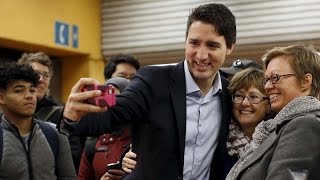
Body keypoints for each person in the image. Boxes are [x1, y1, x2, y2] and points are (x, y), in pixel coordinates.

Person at [59, 3, 236, 180]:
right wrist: (74, 116)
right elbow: (116, 110)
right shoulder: (153, 80)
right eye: (194, 43)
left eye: (212, 46)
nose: (201, 55)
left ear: (229, 47)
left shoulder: (231, 95)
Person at [121, 68, 274, 174]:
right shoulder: (218, 134)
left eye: (254, 97)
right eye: (239, 96)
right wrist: (131, 156)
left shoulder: (276, 139)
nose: (245, 103)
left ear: (268, 105)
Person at [226, 44, 320, 180]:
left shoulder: (305, 125)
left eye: (275, 78)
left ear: (305, 81)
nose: (267, 86)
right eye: (267, 80)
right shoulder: (274, 129)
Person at [0, 62, 76, 180]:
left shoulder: (54, 133)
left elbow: (68, 177)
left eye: (32, 90)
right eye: (19, 90)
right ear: (2, 98)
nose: (29, 96)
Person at [18, 52, 83, 173]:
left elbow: (72, 158)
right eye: (35, 73)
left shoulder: (62, 113)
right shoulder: (7, 111)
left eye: (46, 75)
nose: (41, 79)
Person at [78, 77, 131, 180]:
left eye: (117, 99)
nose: (110, 106)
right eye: (106, 99)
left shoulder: (143, 140)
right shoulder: (93, 142)